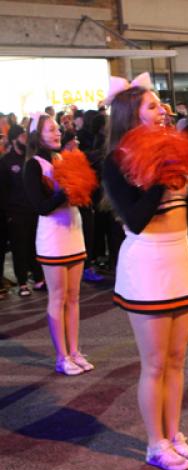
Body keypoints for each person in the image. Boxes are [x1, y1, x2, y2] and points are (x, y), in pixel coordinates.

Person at [103, 73, 188, 470]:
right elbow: (136, 219)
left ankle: (175, 434)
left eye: (160, 104)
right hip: (147, 264)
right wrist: (162, 178)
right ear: (131, 115)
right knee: (156, 363)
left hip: (180, 258)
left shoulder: (173, 149)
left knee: (178, 359)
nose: (162, 110)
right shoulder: (117, 161)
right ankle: (154, 443)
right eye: (152, 106)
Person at [23, 112, 93, 375]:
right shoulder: (34, 165)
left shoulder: (63, 158)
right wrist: (64, 190)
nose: (57, 133)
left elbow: (78, 197)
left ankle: (74, 351)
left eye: (57, 129)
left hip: (74, 232)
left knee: (74, 298)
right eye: (51, 129)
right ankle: (61, 357)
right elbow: (41, 207)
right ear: (36, 135)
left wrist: (82, 186)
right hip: (52, 238)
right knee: (58, 297)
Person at [0, 124, 45, 296]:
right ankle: (22, 283)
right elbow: (3, 192)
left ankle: (39, 277)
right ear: (14, 139)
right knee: (20, 248)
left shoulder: (30, 160)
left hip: (34, 210)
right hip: (16, 213)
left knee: (35, 246)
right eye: (22, 137)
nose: (25, 140)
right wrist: (8, 214)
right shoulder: (5, 162)